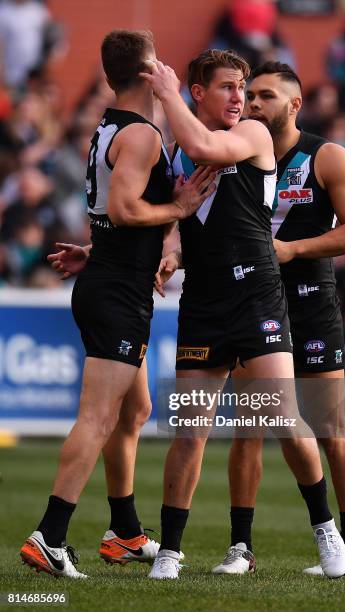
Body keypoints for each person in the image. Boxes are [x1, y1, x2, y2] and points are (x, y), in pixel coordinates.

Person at [140, 50, 345, 580]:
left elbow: (204, 144)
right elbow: (175, 219)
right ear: (199, 93)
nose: (242, 98)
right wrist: (167, 248)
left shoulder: (253, 135)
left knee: (280, 417)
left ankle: (327, 530)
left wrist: (164, 94)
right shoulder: (176, 153)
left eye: (245, 88)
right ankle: (169, 550)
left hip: (257, 296)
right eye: (230, 88)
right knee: (190, 430)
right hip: (204, 303)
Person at [20, 29, 214, 579]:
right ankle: (49, 537)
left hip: (110, 278)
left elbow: (111, 213)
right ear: (149, 72)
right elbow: (128, 209)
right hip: (119, 292)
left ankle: (124, 532)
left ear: (109, 76)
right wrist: (179, 205)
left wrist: (96, 250)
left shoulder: (110, 125)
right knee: (99, 417)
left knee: (135, 411)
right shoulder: (144, 136)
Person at [213, 61, 345, 575]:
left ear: (294, 105)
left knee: (330, 427)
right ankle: (241, 548)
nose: (253, 104)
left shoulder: (326, 156)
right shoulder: (235, 152)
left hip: (309, 300)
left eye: (265, 96)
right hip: (253, 301)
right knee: (250, 426)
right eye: (248, 95)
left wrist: (294, 248)